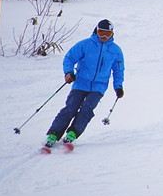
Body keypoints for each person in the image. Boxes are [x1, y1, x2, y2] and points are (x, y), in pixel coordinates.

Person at [44, 19, 125, 148]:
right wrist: (68, 73)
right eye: (101, 33)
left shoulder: (115, 51)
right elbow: (69, 58)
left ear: (112, 34)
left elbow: (118, 70)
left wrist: (118, 86)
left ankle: (72, 134)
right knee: (70, 108)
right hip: (81, 83)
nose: (103, 37)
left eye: (107, 34)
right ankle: (54, 134)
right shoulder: (85, 45)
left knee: (87, 109)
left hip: (99, 86)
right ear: (96, 31)